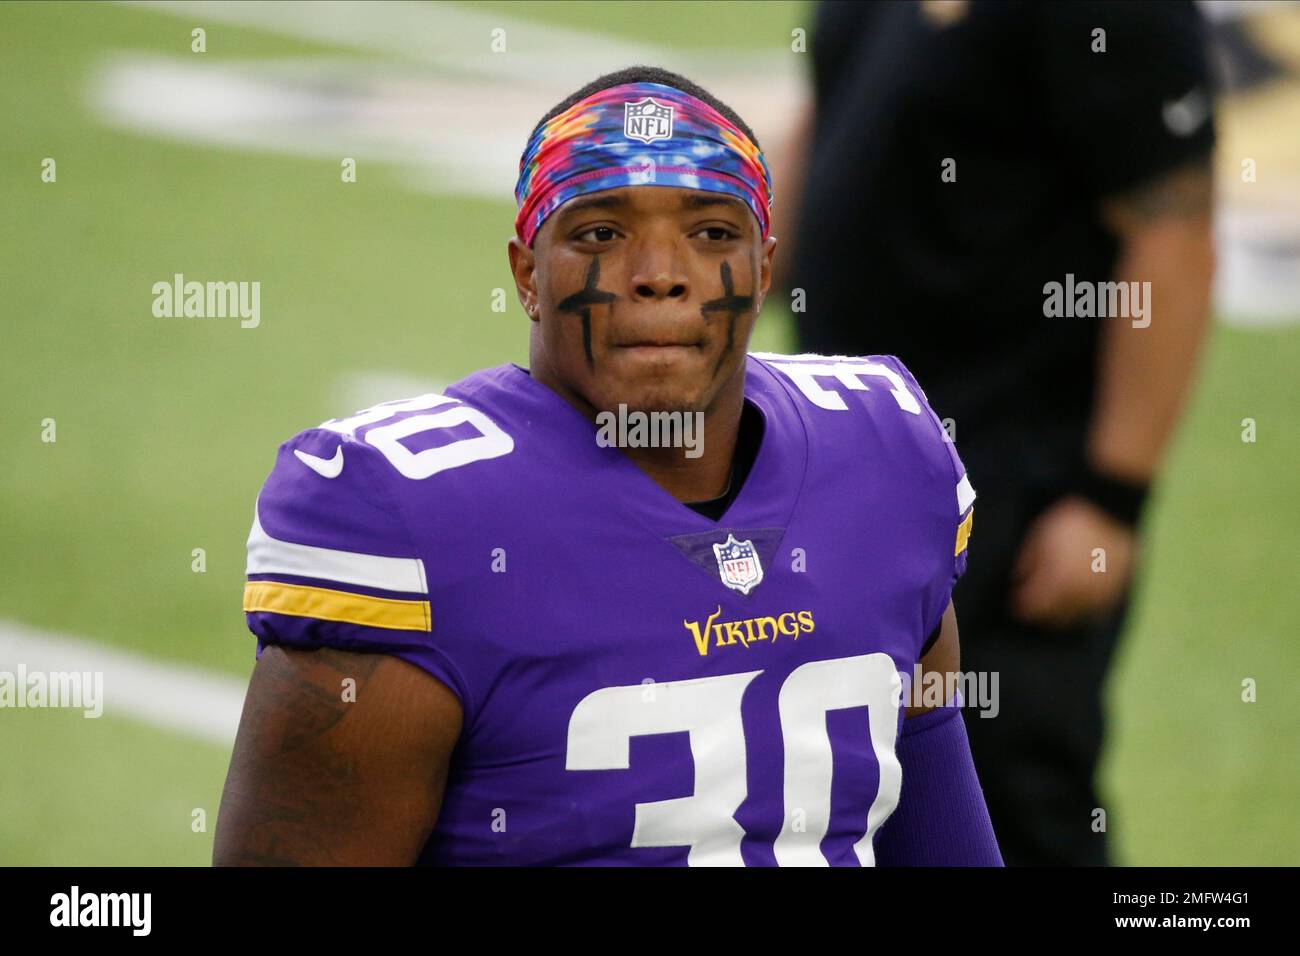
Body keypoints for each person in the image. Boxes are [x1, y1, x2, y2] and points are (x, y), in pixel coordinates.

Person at [214, 66, 1002, 867]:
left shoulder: (884, 459)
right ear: (528, 273)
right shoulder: (404, 518)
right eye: (600, 233)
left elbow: (941, 835)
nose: (660, 271)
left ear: (765, 267)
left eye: (711, 233)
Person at [775, 1, 1216, 865]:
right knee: (852, 767)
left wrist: (1111, 498)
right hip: (853, 463)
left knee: (1011, 782)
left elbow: (1174, 232)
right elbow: (828, 119)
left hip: (1014, 472)